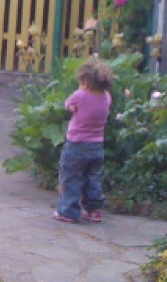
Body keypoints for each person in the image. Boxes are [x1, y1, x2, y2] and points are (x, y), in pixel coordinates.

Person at [52, 58, 113, 224]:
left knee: (72, 178)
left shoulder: (80, 95)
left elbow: (68, 104)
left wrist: (73, 108)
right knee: (93, 179)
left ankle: (68, 211)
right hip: (96, 145)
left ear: (85, 81)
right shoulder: (106, 97)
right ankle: (94, 210)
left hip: (76, 144)